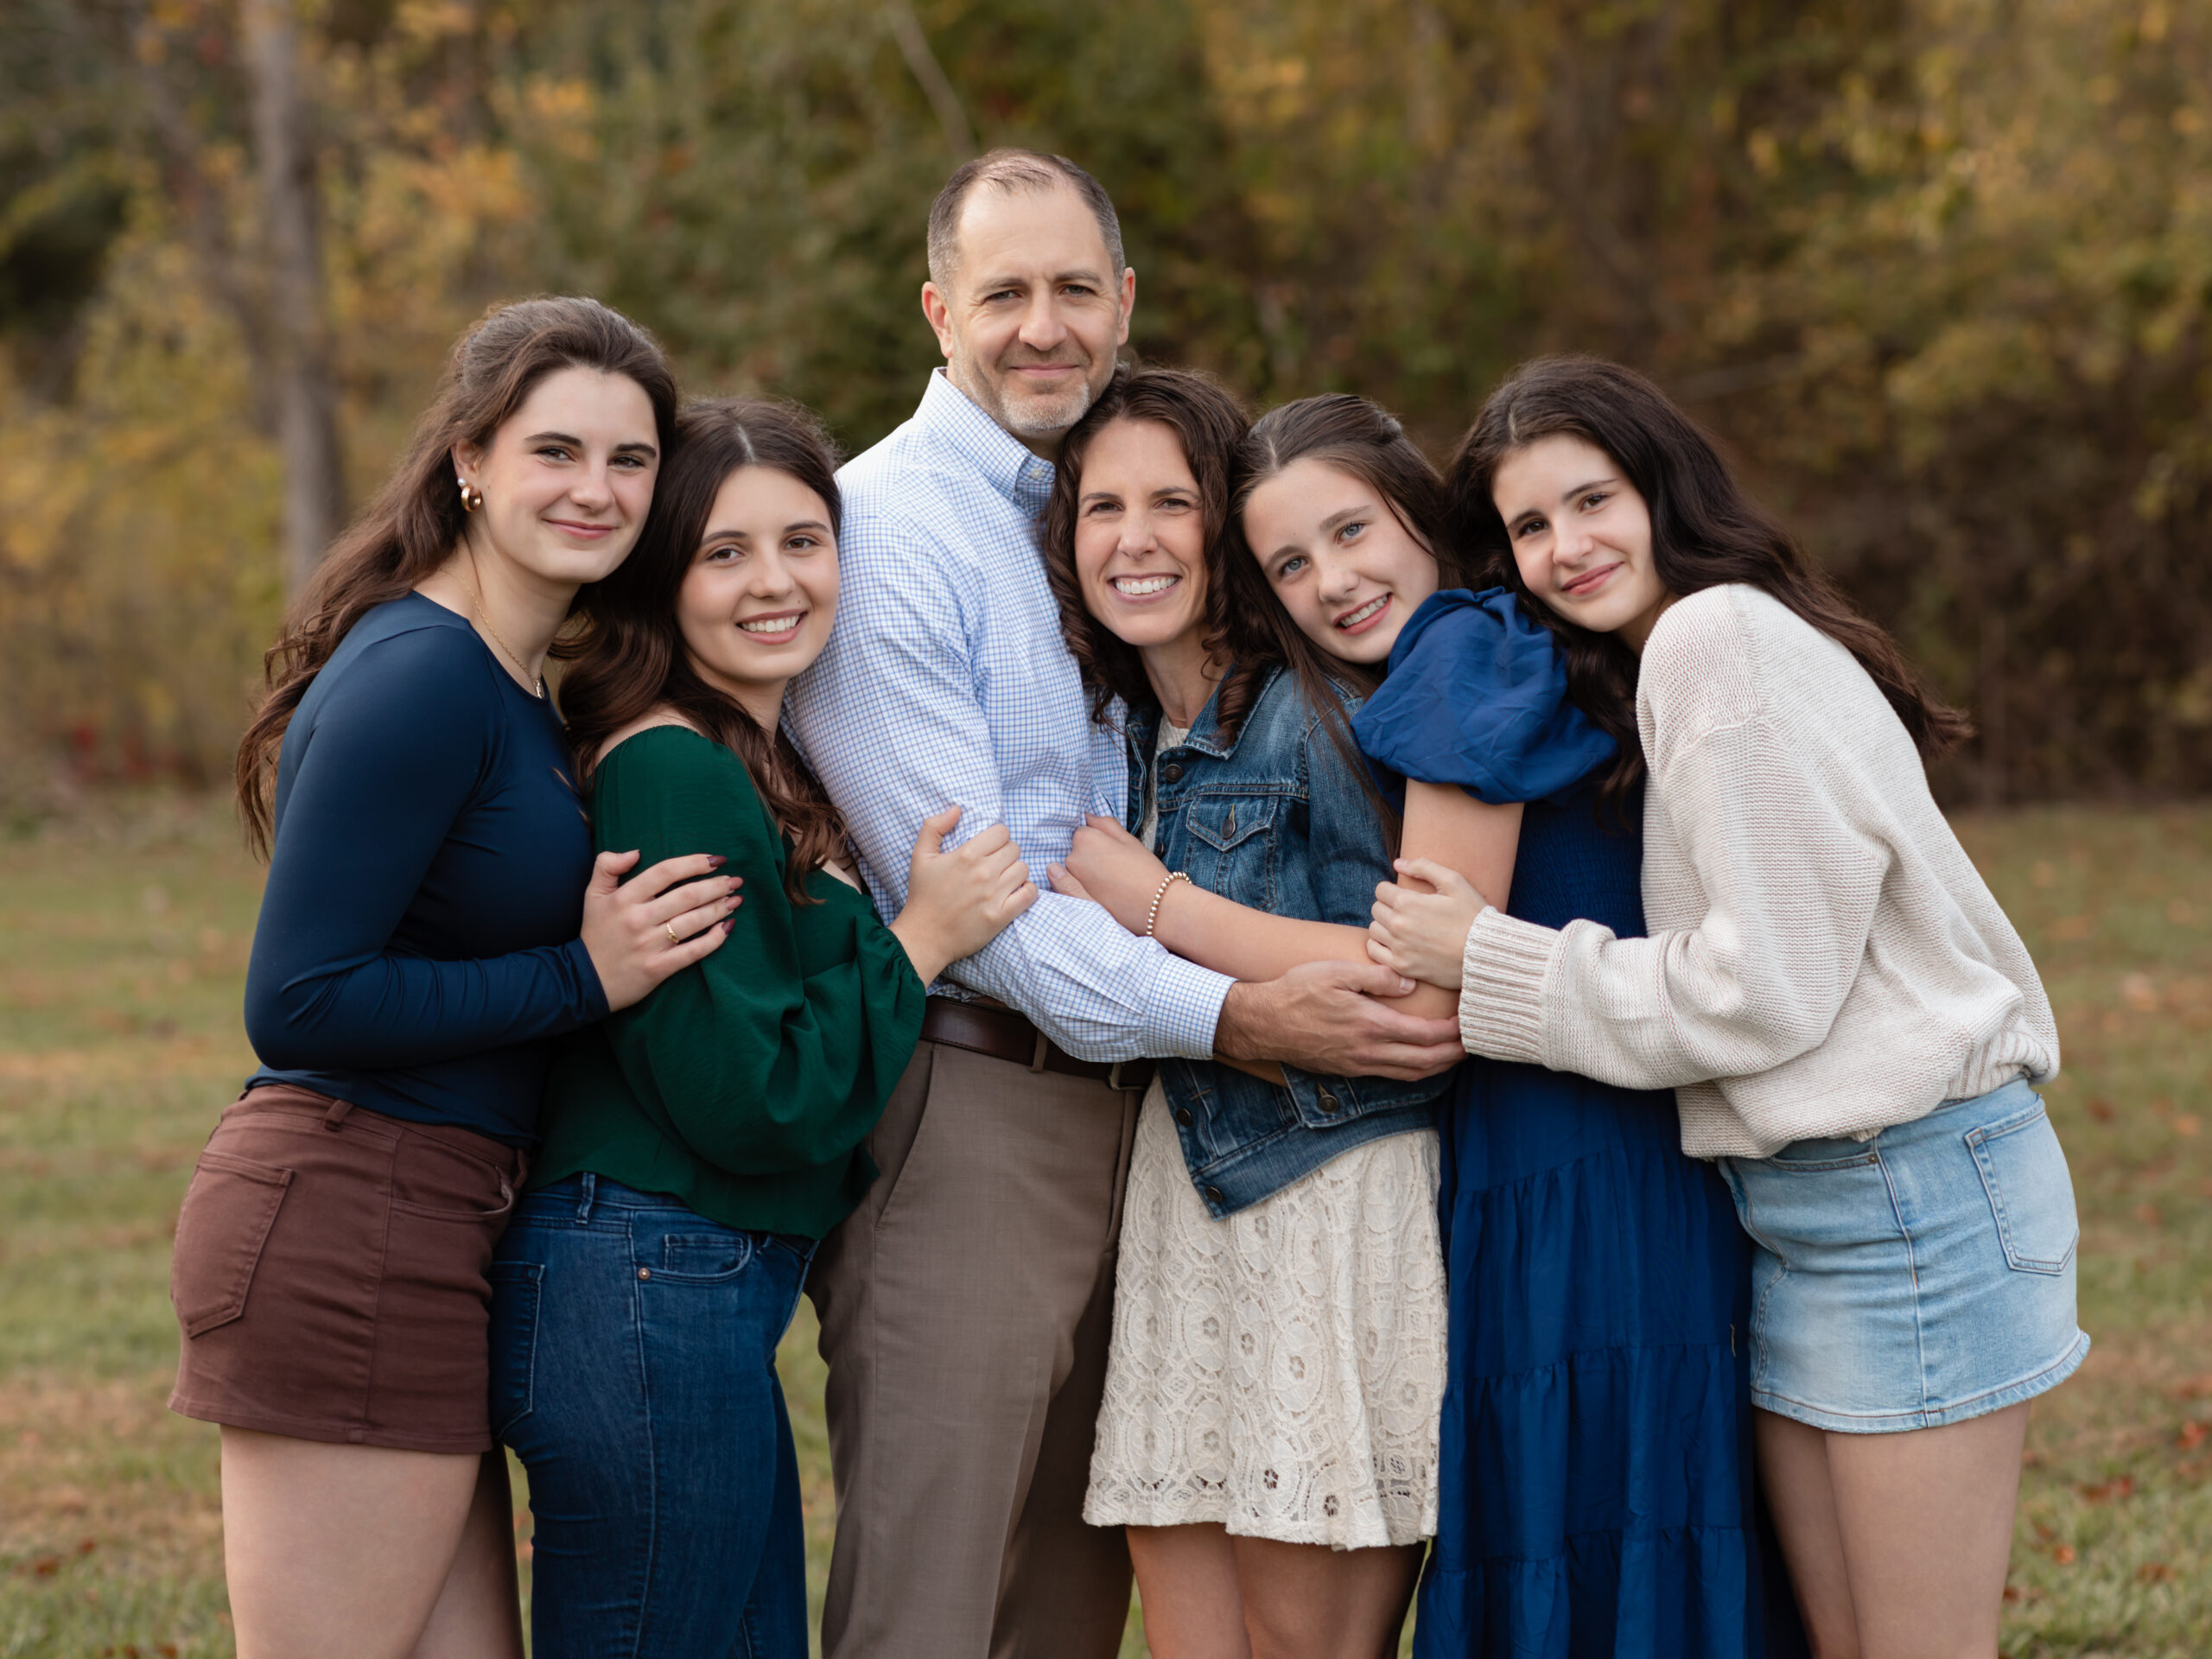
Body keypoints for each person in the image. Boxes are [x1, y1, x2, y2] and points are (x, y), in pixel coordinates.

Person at [785, 150, 1463, 1659]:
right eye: (1004, 293)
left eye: (1075, 289)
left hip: (1149, 1126)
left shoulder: (1080, 518)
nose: (1044, 326)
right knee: (942, 1594)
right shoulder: (890, 530)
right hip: (982, 1097)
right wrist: (1239, 1013)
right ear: (938, 310)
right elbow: (988, 903)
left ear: (1125, 301)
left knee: (1070, 1604)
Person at [1369, 355, 2079, 1659]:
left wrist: (1493, 960)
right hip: (1808, 1210)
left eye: (1593, 501)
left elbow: (1764, 994)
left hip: (1910, 1197)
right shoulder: (1680, 656)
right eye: (1530, 525)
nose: (1567, 547)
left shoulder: (1716, 642)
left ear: (1663, 486)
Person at [171, 296, 736, 1657]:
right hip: (351, 1211)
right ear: (471, 459)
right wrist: (584, 976)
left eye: (630, 459)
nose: (597, 489)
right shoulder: (421, 673)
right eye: (556, 451)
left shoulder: (516, 685)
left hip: (437, 1222)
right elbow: (299, 999)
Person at [487, 397, 1035, 1657]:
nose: (775, 582)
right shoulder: (672, 770)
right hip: (642, 1273)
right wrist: (921, 942)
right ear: (661, 580)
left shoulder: (753, 759)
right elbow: (754, 1096)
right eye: (724, 553)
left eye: (804, 541)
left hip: (690, 1283)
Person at [1038, 373, 1453, 1658]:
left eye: (1172, 502)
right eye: (1102, 508)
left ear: (1226, 527)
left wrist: (1158, 903)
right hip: (1189, 1195)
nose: (1136, 539)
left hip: (1328, 1196)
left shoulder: (1318, 712)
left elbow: (1416, 976)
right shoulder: (1119, 737)